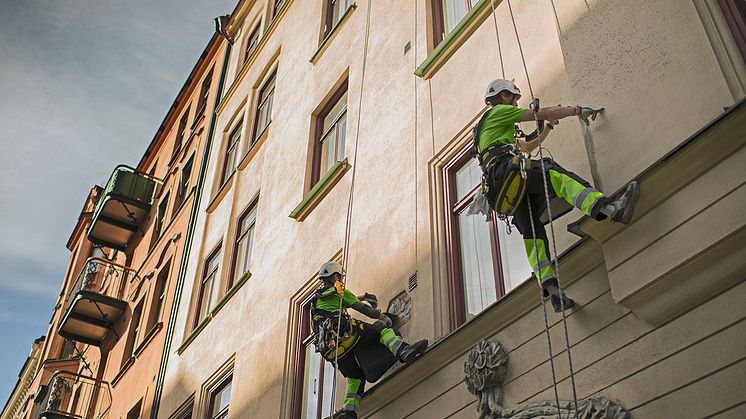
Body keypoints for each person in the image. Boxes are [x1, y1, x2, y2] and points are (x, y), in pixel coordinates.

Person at [473, 79, 639, 312]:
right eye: (514, 98)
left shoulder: (489, 133)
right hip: (507, 171)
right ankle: (611, 209)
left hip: (502, 187)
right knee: (553, 174)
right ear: (503, 97)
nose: (516, 102)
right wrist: (576, 110)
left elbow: (528, 148)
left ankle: (551, 288)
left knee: (531, 231)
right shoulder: (500, 112)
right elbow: (540, 113)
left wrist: (548, 127)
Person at [311, 261, 428, 419]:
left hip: (332, 350)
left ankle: (349, 412)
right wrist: (383, 317)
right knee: (381, 331)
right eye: (340, 277)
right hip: (347, 333)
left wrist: (364, 296)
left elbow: (342, 301)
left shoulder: (317, 299)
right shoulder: (338, 290)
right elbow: (363, 309)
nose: (341, 281)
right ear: (335, 277)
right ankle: (404, 351)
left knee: (356, 376)